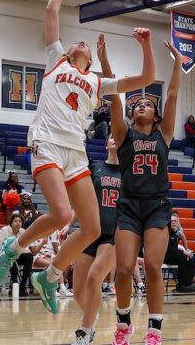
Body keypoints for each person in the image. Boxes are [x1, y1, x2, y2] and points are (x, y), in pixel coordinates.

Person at [0, 0, 156, 318]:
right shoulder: (56, 61)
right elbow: (51, 12)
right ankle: (13, 249)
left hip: (76, 153)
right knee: (62, 214)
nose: (79, 41)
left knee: (92, 227)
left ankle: (49, 277)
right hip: (47, 142)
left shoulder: (98, 82)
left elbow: (144, 79)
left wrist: (145, 44)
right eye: (75, 41)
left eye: (83, 44)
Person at [111, 39, 181, 345]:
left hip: (156, 206)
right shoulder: (122, 134)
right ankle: (124, 321)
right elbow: (112, 94)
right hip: (128, 205)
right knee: (124, 269)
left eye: (149, 104)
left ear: (156, 115)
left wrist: (178, 61)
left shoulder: (164, 135)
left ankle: (154, 330)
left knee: (153, 265)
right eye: (137, 103)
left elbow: (175, 93)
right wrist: (104, 60)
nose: (142, 104)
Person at [72, 133, 122, 345]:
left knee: (94, 278)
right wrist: (69, 223)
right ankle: (92, 318)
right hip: (90, 230)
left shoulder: (128, 172)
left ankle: (85, 331)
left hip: (114, 234)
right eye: (110, 137)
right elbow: (84, 200)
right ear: (106, 143)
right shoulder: (95, 167)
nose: (114, 139)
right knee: (78, 293)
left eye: (117, 137)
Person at [0, 213, 36, 297]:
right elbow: (6, 248)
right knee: (13, 258)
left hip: (16, 254)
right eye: (15, 221)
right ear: (11, 222)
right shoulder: (4, 230)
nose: (18, 223)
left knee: (29, 257)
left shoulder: (23, 231)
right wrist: (22, 250)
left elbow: (26, 247)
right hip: (0, 254)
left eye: (20, 221)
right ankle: (14, 284)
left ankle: (22, 285)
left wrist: (25, 251)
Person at [164, 214, 195, 293]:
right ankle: (181, 285)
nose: (173, 223)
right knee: (184, 258)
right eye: (172, 221)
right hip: (166, 256)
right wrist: (184, 252)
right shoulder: (166, 233)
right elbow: (169, 250)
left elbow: (175, 248)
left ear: (178, 223)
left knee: (192, 260)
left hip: (174, 255)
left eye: (175, 221)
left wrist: (186, 250)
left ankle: (187, 284)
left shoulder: (175, 234)